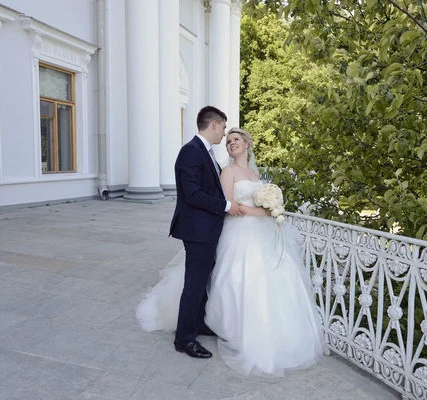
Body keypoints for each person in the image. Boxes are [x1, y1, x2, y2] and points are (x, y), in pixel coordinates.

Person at [136, 127, 324, 377]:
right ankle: (226, 327)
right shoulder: (228, 171)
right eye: (228, 141)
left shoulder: (256, 173)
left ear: (247, 144)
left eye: (235, 139)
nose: (231, 143)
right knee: (238, 278)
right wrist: (265, 212)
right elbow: (227, 206)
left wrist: (272, 208)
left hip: (262, 231)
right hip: (240, 232)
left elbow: (260, 201)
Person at [166, 106, 244, 359]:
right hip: (197, 230)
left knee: (201, 283)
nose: (223, 133)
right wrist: (226, 206)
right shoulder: (191, 151)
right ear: (213, 125)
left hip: (206, 230)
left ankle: (197, 324)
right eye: (223, 128)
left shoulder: (205, 152)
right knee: (194, 284)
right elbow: (192, 194)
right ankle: (184, 339)